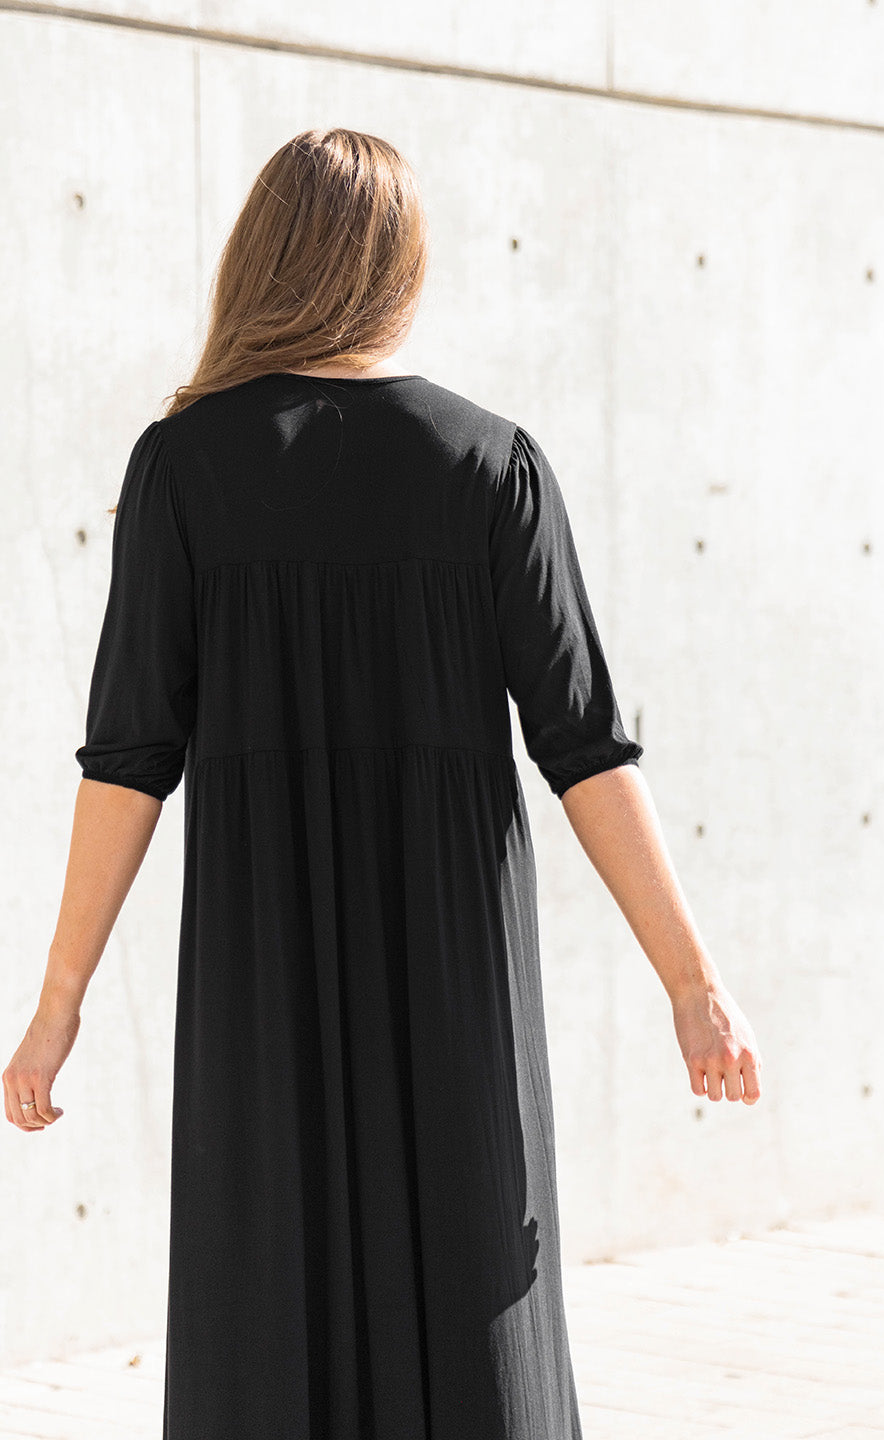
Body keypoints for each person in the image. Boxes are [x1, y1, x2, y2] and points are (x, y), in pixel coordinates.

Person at [2, 127, 761, 1439]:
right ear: (400, 267)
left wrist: (56, 1003)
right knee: (475, 1310)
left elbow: (126, 760)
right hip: (455, 966)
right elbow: (584, 746)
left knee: (265, 1302)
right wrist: (693, 985)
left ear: (263, 260)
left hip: (260, 974)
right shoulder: (490, 464)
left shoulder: (183, 467)